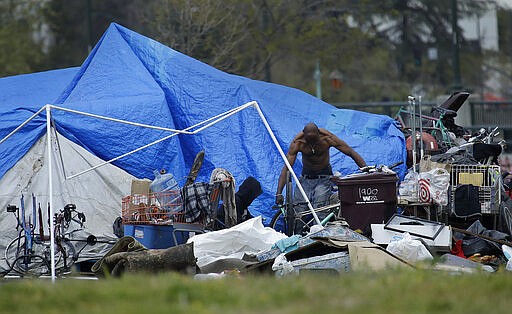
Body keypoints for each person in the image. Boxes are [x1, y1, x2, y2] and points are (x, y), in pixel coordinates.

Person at [275, 122, 367, 230]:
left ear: (319, 134)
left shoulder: (327, 139)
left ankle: (318, 238)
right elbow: (287, 168)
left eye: (315, 141)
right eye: (310, 142)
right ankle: (295, 239)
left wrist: (366, 169)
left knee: (319, 211)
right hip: (306, 179)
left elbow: (350, 152)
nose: (313, 145)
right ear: (304, 137)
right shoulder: (298, 143)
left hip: (324, 178)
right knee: (298, 212)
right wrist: (279, 192)